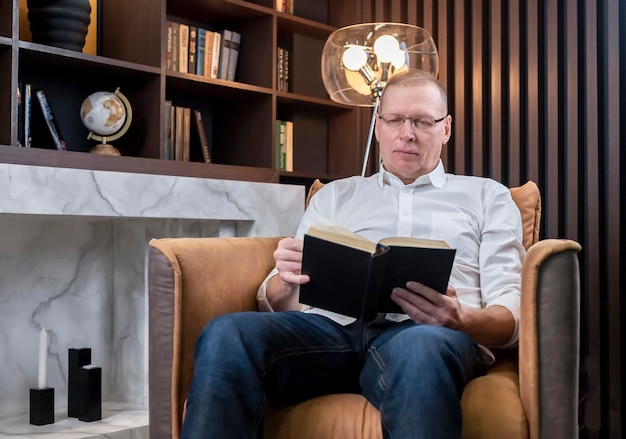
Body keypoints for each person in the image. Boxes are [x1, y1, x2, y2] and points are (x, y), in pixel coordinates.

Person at [181, 69, 525, 439]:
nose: (407, 133)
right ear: (378, 125)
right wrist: (284, 278)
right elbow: (280, 300)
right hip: (327, 337)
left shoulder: (488, 196)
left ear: (446, 128)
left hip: (426, 336)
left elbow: (513, 311)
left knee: (423, 348)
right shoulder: (335, 196)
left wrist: (462, 319)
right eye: (395, 120)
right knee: (227, 332)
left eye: (423, 121)